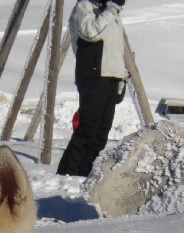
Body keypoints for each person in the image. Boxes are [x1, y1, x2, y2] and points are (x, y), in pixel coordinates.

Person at [57, 0, 127, 177]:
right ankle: (67, 174)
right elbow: (90, 32)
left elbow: (117, 49)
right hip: (93, 74)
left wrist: (121, 78)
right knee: (88, 128)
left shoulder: (110, 13)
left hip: (111, 76)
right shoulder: (84, 7)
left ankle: (85, 174)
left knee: (102, 132)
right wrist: (110, 11)